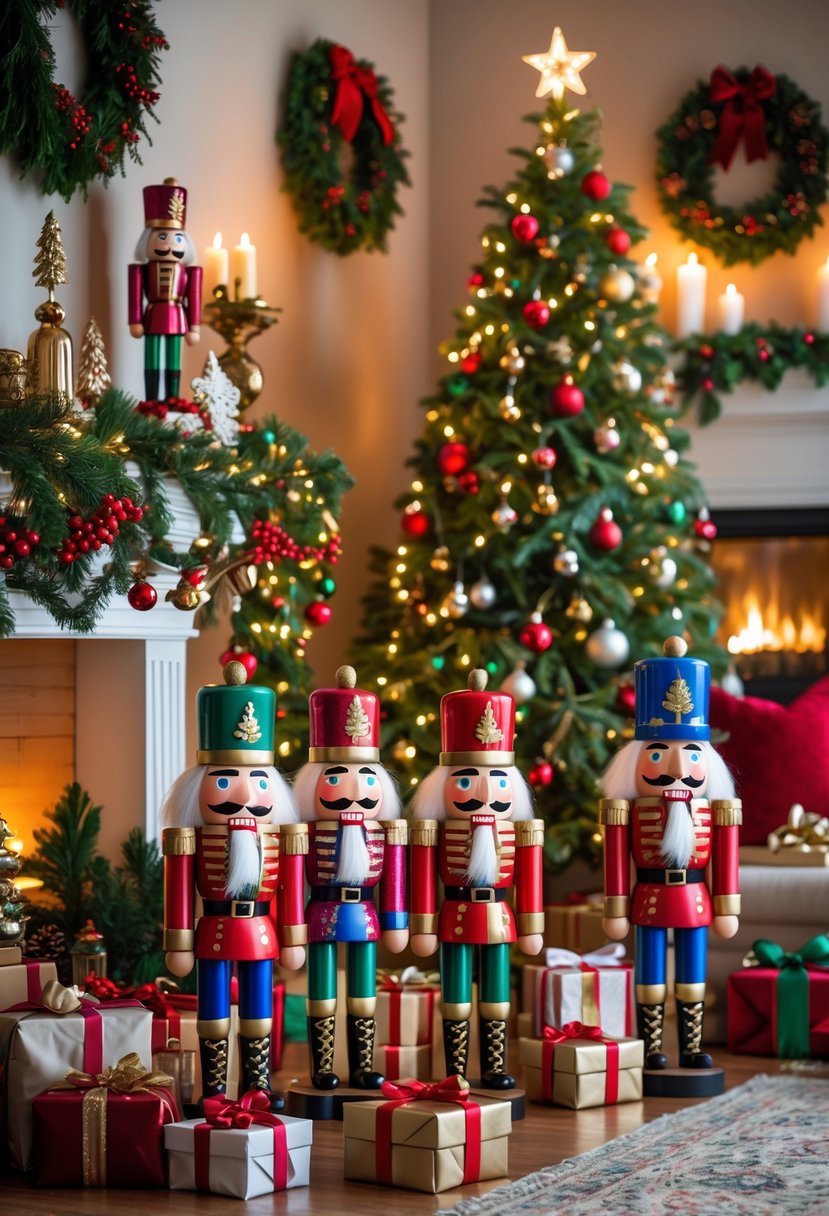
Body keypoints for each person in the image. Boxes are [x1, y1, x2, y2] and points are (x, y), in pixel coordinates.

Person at [161, 660, 306, 1106]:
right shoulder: (191, 838)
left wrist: (292, 935)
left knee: (259, 1013)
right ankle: (215, 1089)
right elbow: (180, 890)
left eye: (257, 780)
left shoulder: (280, 837)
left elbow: (290, 889)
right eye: (225, 781)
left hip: (260, 930)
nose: (244, 796)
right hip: (213, 931)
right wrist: (178, 942)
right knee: (213, 1014)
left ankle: (257, 1085)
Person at [599, 635, 741, 1070]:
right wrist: (616, 906)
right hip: (648, 897)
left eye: (691, 756)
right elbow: (617, 861)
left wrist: (727, 905)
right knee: (650, 977)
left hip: (695, 898)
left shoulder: (716, 809)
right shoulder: (627, 810)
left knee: (693, 976)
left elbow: (725, 859)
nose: (677, 770)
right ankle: (652, 1047)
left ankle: (693, 1046)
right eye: (659, 755)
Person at [410, 669, 544, 1088]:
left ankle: (494, 1067)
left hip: (500, 915)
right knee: (455, 997)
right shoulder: (435, 827)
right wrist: (423, 926)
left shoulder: (520, 828)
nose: (483, 792)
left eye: (498, 779)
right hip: (454, 913)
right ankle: (455, 1072)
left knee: (497, 996)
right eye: (466, 780)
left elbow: (531, 879)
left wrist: (532, 925)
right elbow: (422, 880)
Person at [292, 665, 408, 1090]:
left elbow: (394, 881)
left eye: (366, 777)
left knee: (363, 991)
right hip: (321, 910)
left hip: (365, 913)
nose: (353, 788)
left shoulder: (385, 830)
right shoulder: (305, 830)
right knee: (321, 989)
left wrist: (397, 922)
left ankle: (362, 1066)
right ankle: (322, 1067)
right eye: (336, 776)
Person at [128, 177, 202, 404]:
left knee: (174, 358)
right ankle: (151, 399)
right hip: (151, 316)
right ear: (147, 240)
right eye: (162, 237)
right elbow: (134, 295)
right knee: (152, 357)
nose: (170, 244)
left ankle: (172, 398)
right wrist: (135, 320)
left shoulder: (190, 272)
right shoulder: (140, 270)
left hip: (177, 316)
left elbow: (194, 298)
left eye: (177, 238)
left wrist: (194, 326)